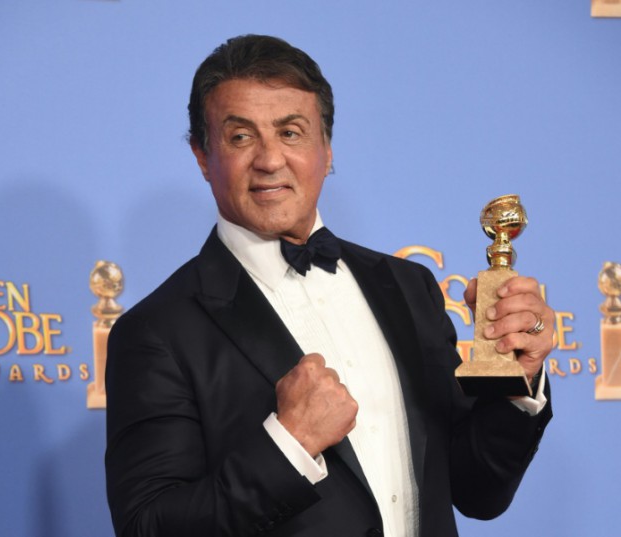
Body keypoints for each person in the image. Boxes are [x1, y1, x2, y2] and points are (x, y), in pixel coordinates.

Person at [105, 34, 553, 537]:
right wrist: (288, 444)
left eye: (291, 132)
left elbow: (478, 491)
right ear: (202, 157)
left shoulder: (409, 287)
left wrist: (519, 383)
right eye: (240, 137)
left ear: (327, 149)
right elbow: (149, 527)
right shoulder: (157, 331)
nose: (270, 160)